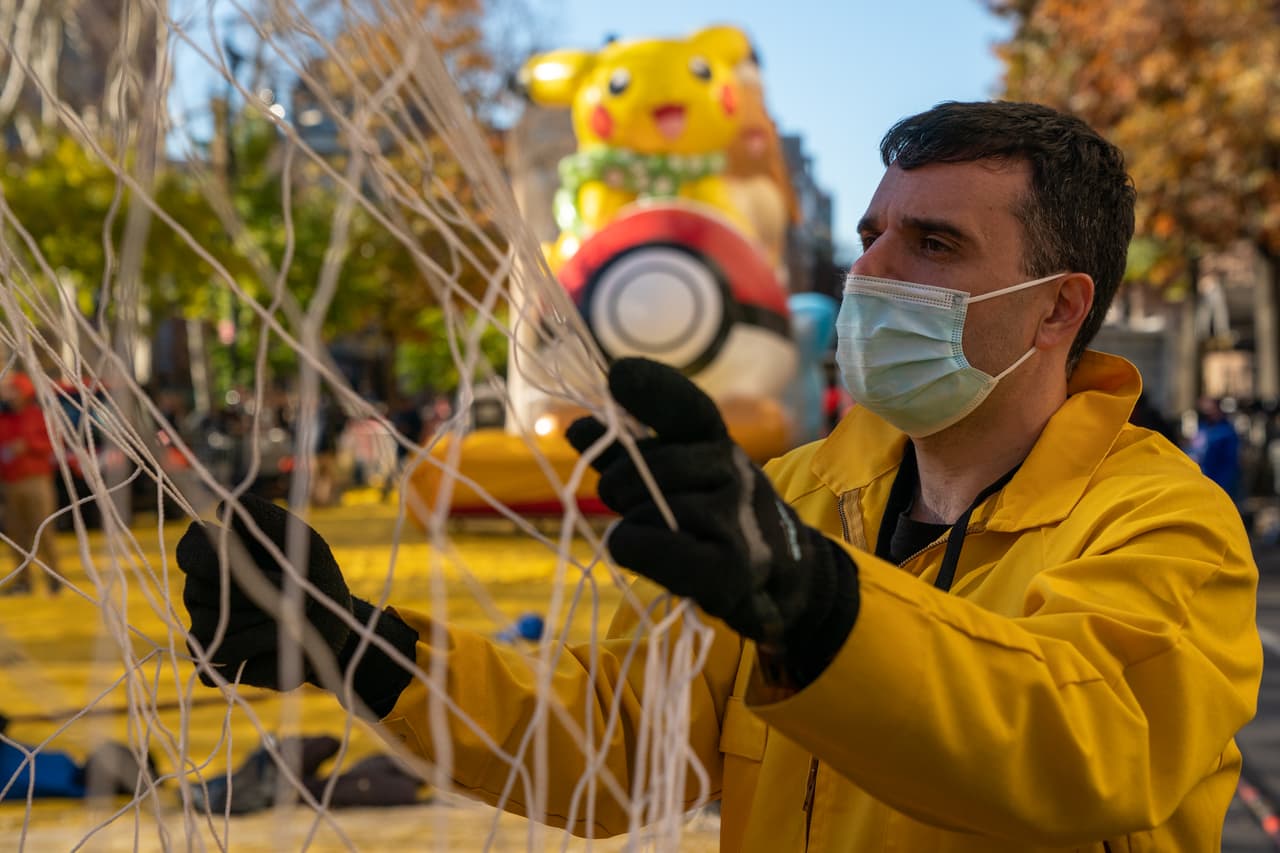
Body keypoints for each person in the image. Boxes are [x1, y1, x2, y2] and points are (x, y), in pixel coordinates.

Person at [175, 102, 1262, 851]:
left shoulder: (1164, 522)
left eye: (931, 244)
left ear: (1057, 308)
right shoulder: (793, 496)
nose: (868, 272)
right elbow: (611, 745)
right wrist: (361, 648)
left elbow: (1082, 748)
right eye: (870, 233)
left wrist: (820, 606)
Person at [0, 372, 61, 595]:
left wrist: (27, 445)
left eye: (13, 390)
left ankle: (54, 577)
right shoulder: (3, 419)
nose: (8, 395)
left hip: (36, 481)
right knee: (16, 534)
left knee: (43, 529)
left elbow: (54, 444)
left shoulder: (38, 416)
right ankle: (23, 581)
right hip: (10, 483)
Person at [1188, 396, 1242, 500]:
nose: (1208, 413)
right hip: (1201, 479)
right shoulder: (1202, 429)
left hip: (1219, 479)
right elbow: (1193, 449)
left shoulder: (1226, 432)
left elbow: (1230, 461)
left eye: (1210, 409)